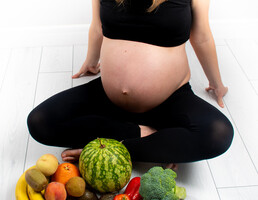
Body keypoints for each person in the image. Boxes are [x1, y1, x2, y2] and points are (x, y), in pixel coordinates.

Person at [27, 0, 234, 168]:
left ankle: (119, 149)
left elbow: (202, 37)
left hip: (169, 100)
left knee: (218, 133)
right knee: (39, 121)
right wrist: (91, 62)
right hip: (108, 98)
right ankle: (139, 134)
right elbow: (97, 27)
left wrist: (216, 83)